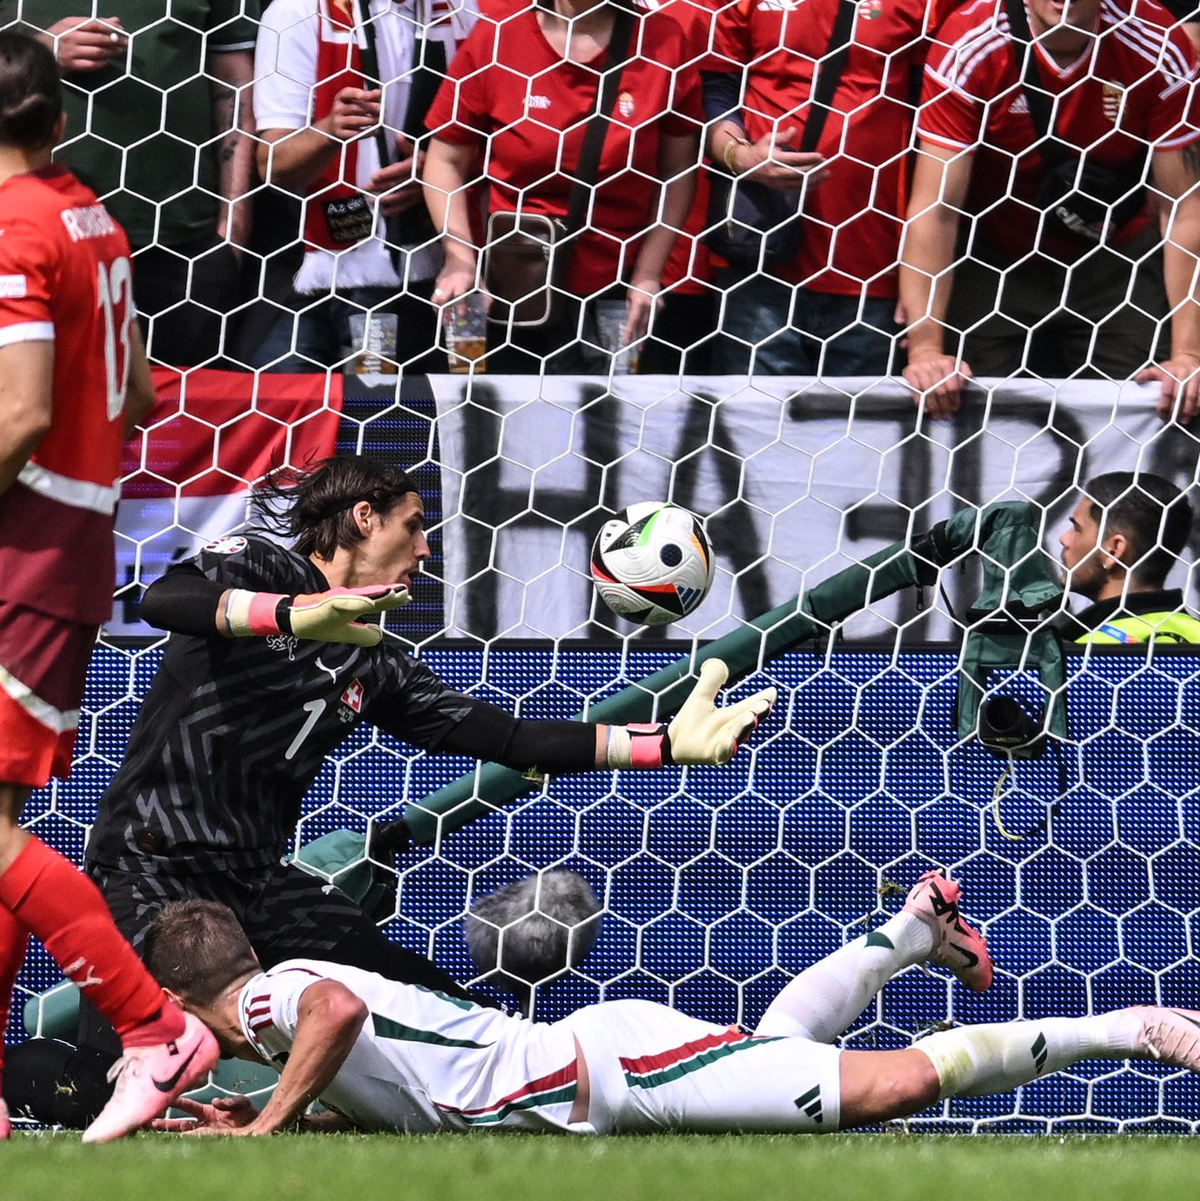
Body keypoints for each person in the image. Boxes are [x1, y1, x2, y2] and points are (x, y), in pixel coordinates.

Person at [5, 453, 775, 1127]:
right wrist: (298, 614)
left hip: (257, 882)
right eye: (414, 525)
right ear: (362, 517)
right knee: (118, 1087)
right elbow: (161, 599)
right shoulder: (263, 566)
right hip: (151, 870)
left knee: (460, 1022)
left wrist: (662, 742)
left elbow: (508, 739)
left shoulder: (375, 661)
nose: (426, 548)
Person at [145, 876, 1200, 1138]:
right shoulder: (278, 1009)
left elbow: (333, 1008)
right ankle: (914, 929)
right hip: (602, 1065)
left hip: (612, 1072)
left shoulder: (271, 996)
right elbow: (409, 1084)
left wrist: (268, 1120)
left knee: (894, 1086)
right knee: (778, 1047)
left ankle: (1134, 1027)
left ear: (183, 997)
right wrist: (295, 1114)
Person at [0, 31, 220, 1143]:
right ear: (60, 118)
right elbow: (136, 392)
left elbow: (22, 410)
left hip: (24, 549)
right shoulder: (90, 211)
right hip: (72, 544)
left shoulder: (14, 228)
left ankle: (153, 1027)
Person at [900, 0, 1200, 421]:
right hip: (994, 257)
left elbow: (1184, 206)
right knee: (964, 413)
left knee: (1153, 409)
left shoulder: (1156, 42)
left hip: (1114, 259)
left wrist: (1189, 355)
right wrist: (926, 350)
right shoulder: (970, 44)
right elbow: (937, 208)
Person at [420, 0, 701, 373]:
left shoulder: (662, 40)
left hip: (617, 292)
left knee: (609, 408)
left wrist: (648, 274)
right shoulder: (499, 35)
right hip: (511, 287)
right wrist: (459, 257)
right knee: (506, 407)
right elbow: (445, 160)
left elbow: (678, 171)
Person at [701, 0, 959, 377]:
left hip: (871, 267)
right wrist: (740, 156)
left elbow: (937, 120)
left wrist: (919, 278)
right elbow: (715, 89)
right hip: (758, 257)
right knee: (755, 412)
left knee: (858, 416)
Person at [13, 0, 259, 368]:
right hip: (31, 239)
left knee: (179, 400)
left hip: (180, 241)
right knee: (36, 395)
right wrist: (39, 53)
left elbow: (234, 79)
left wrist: (232, 232)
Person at [249, 0, 477, 373]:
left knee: (447, 402)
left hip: (446, 274)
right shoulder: (297, 12)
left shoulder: (465, 12)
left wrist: (435, 174)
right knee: (357, 397)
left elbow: (504, 140)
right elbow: (272, 165)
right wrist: (328, 131)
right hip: (325, 274)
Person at [1059, 471, 1200, 643]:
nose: (1064, 539)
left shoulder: (1086, 650)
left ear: (1114, 550)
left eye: (1077, 529)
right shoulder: (1195, 633)